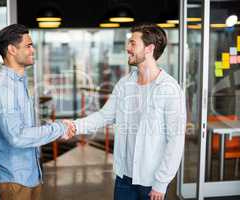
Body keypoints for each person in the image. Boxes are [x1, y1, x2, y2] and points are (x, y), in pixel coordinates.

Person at [68, 23, 186, 200]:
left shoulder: (169, 88)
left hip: (151, 181)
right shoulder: (125, 84)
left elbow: (175, 140)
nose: (127, 48)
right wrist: (74, 126)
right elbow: (104, 115)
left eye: (132, 43)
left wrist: (161, 183)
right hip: (124, 177)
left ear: (149, 48)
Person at [0, 24, 74, 200]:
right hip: (14, 180)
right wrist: (59, 129)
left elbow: (28, 128)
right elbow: (17, 136)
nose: (33, 50)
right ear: (11, 49)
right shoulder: (4, 88)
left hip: (30, 176)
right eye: (28, 45)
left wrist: (56, 128)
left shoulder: (20, 83)